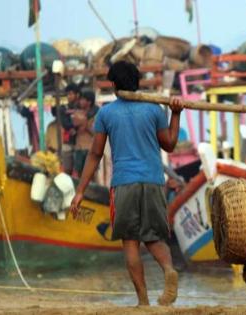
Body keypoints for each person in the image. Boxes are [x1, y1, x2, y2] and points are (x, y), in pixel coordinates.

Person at [70, 61, 183, 306]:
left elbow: (95, 154)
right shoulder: (154, 109)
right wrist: (176, 114)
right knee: (153, 237)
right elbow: (170, 144)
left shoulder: (107, 114)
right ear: (138, 82)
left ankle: (143, 302)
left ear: (113, 85)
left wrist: (80, 191)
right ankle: (168, 270)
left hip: (124, 184)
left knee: (130, 241)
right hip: (153, 181)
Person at [72, 90, 98, 176]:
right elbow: (75, 126)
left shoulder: (97, 115)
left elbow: (96, 133)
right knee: (78, 173)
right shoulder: (77, 113)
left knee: (91, 174)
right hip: (79, 147)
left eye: (83, 99)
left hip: (91, 148)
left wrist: (85, 124)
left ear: (89, 102)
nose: (80, 101)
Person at [60, 83, 81, 174]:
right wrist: (74, 127)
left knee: (80, 170)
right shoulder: (63, 108)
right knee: (67, 170)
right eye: (67, 94)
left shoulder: (82, 107)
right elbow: (64, 123)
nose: (69, 96)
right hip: (68, 142)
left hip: (79, 143)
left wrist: (75, 128)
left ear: (77, 95)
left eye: (71, 94)